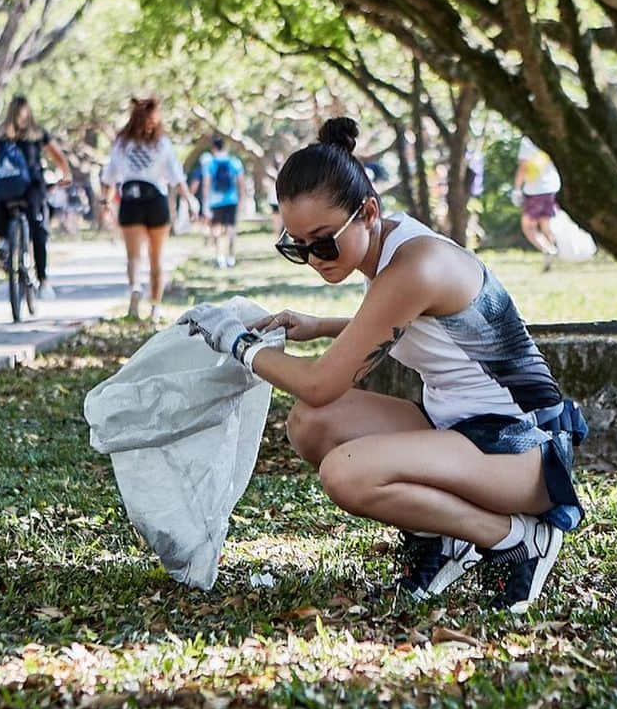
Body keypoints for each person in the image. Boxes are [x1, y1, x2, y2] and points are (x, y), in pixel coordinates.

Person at [180, 117, 587, 613]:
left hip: (523, 449)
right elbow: (417, 327)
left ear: (368, 212)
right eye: (297, 246)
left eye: (324, 242)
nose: (314, 258)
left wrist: (239, 344)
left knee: (346, 473)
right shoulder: (388, 247)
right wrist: (323, 324)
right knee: (311, 427)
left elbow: (320, 383)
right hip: (460, 429)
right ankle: (441, 539)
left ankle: (514, 538)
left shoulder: (415, 266)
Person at [101, 97, 196, 324]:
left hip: (131, 200)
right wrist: (189, 199)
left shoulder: (122, 144)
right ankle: (155, 307)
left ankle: (135, 288)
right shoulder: (162, 143)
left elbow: (109, 177)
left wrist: (104, 203)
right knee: (156, 258)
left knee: (134, 257)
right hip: (156, 200)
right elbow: (176, 177)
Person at [0, 96, 71, 300]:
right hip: (32, 188)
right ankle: (43, 280)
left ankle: (5, 244)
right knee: (39, 228)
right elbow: (58, 157)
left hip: (5, 189)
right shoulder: (37, 134)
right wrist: (66, 175)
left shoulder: (0, 135)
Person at [512, 135, 562, 271]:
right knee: (546, 225)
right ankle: (550, 259)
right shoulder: (548, 137)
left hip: (535, 190)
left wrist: (516, 188)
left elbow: (523, 167)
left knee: (528, 226)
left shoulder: (528, 141)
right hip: (552, 187)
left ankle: (548, 250)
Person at [202, 136, 244, 269]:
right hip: (232, 200)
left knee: (216, 230)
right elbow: (241, 184)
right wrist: (242, 200)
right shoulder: (234, 162)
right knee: (231, 229)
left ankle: (219, 257)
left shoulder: (210, 163)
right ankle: (231, 257)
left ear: (214, 148)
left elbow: (206, 185)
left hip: (215, 202)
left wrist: (205, 203)